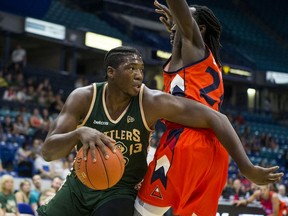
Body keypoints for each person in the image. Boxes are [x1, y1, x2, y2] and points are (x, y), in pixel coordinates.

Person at [37, 46, 283, 216]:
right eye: (131, 68)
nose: (139, 75)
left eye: (141, 69)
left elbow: (216, 118)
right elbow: (48, 152)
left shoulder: (151, 101)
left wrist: (246, 167)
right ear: (111, 73)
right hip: (79, 185)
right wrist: (79, 134)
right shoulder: (84, 97)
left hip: (120, 190)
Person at [134, 1, 281, 216]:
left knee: (141, 213)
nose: (177, 25)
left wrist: (247, 167)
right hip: (214, 150)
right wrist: (176, 25)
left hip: (186, 141)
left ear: (199, 29)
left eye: (183, 20)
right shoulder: (200, 59)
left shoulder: (195, 46)